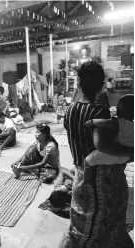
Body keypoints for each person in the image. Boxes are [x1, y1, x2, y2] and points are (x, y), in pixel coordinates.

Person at [59, 61, 133, 247]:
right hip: (104, 182)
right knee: (109, 229)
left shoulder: (69, 111)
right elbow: (104, 147)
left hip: (81, 177)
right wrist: (130, 153)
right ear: (101, 86)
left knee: (80, 228)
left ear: (78, 83)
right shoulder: (100, 111)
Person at [83, 94, 134, 184]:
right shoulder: (132, 125)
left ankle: (86, 180)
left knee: (88, 160)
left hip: (114, 155)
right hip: (126, 157)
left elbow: (105, 122)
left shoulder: (117, 122)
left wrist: (92, 122)